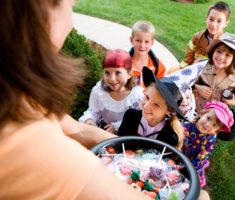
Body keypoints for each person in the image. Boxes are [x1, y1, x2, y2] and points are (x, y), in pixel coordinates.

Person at [0, 0, 151, 199]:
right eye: (70, 5)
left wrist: (134, 154)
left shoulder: (17, 91)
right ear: (40, 11)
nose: (71, 23)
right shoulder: (24, 140)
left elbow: (78, 130)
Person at [118, 67, 185, 149]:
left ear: (169, 111)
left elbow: (164, 160)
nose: (146, 106)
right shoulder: (131, 116)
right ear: (144, 91)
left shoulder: (170, 136)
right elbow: (119, 144)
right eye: (147, 97)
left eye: (156, 105)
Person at [79, 49, 143, 133]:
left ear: (129, 74)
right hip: (104, 130)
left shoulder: (137, 96)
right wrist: (89, 120)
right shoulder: (99, 91)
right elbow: (93, 111)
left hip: (126, 136)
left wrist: (116, 126)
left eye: (118, 73)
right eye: (107, 73)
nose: (112, 79)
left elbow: (140, 120)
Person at [181, 101, 234, 187]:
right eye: (208, 118)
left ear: (216, 131)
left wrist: (187, 170)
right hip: (179, 155)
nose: (208, 125)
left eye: (214, 125)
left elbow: (201, 158)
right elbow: (176, 143)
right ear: (202, 113)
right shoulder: (186, 126)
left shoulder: (210, 139)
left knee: (186, 183)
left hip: (193, 162)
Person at [193, 33, 235, 112]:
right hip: (194, 108)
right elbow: (186, 80)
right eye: (219, 51)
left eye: (227, 55)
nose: (221, 57)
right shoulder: (201, 65)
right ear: (213, 51)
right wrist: (197, 87)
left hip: (215, 116)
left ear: (234, 59)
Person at [180, 1, 231, 68]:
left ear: (226, 23)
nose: (213, 24)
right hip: (193, 70)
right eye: (211, 19)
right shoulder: (197, 37)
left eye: (219, 21)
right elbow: (188, 57)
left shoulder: (225, 43)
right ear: (206, 19)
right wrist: (184, 69)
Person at [129, 20, 167, 85]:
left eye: (146, 42)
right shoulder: (123, 64)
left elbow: (161, 86)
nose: (142, 45)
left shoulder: (158, 65)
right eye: (138, 40)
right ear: (131, 40)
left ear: (152, 42)